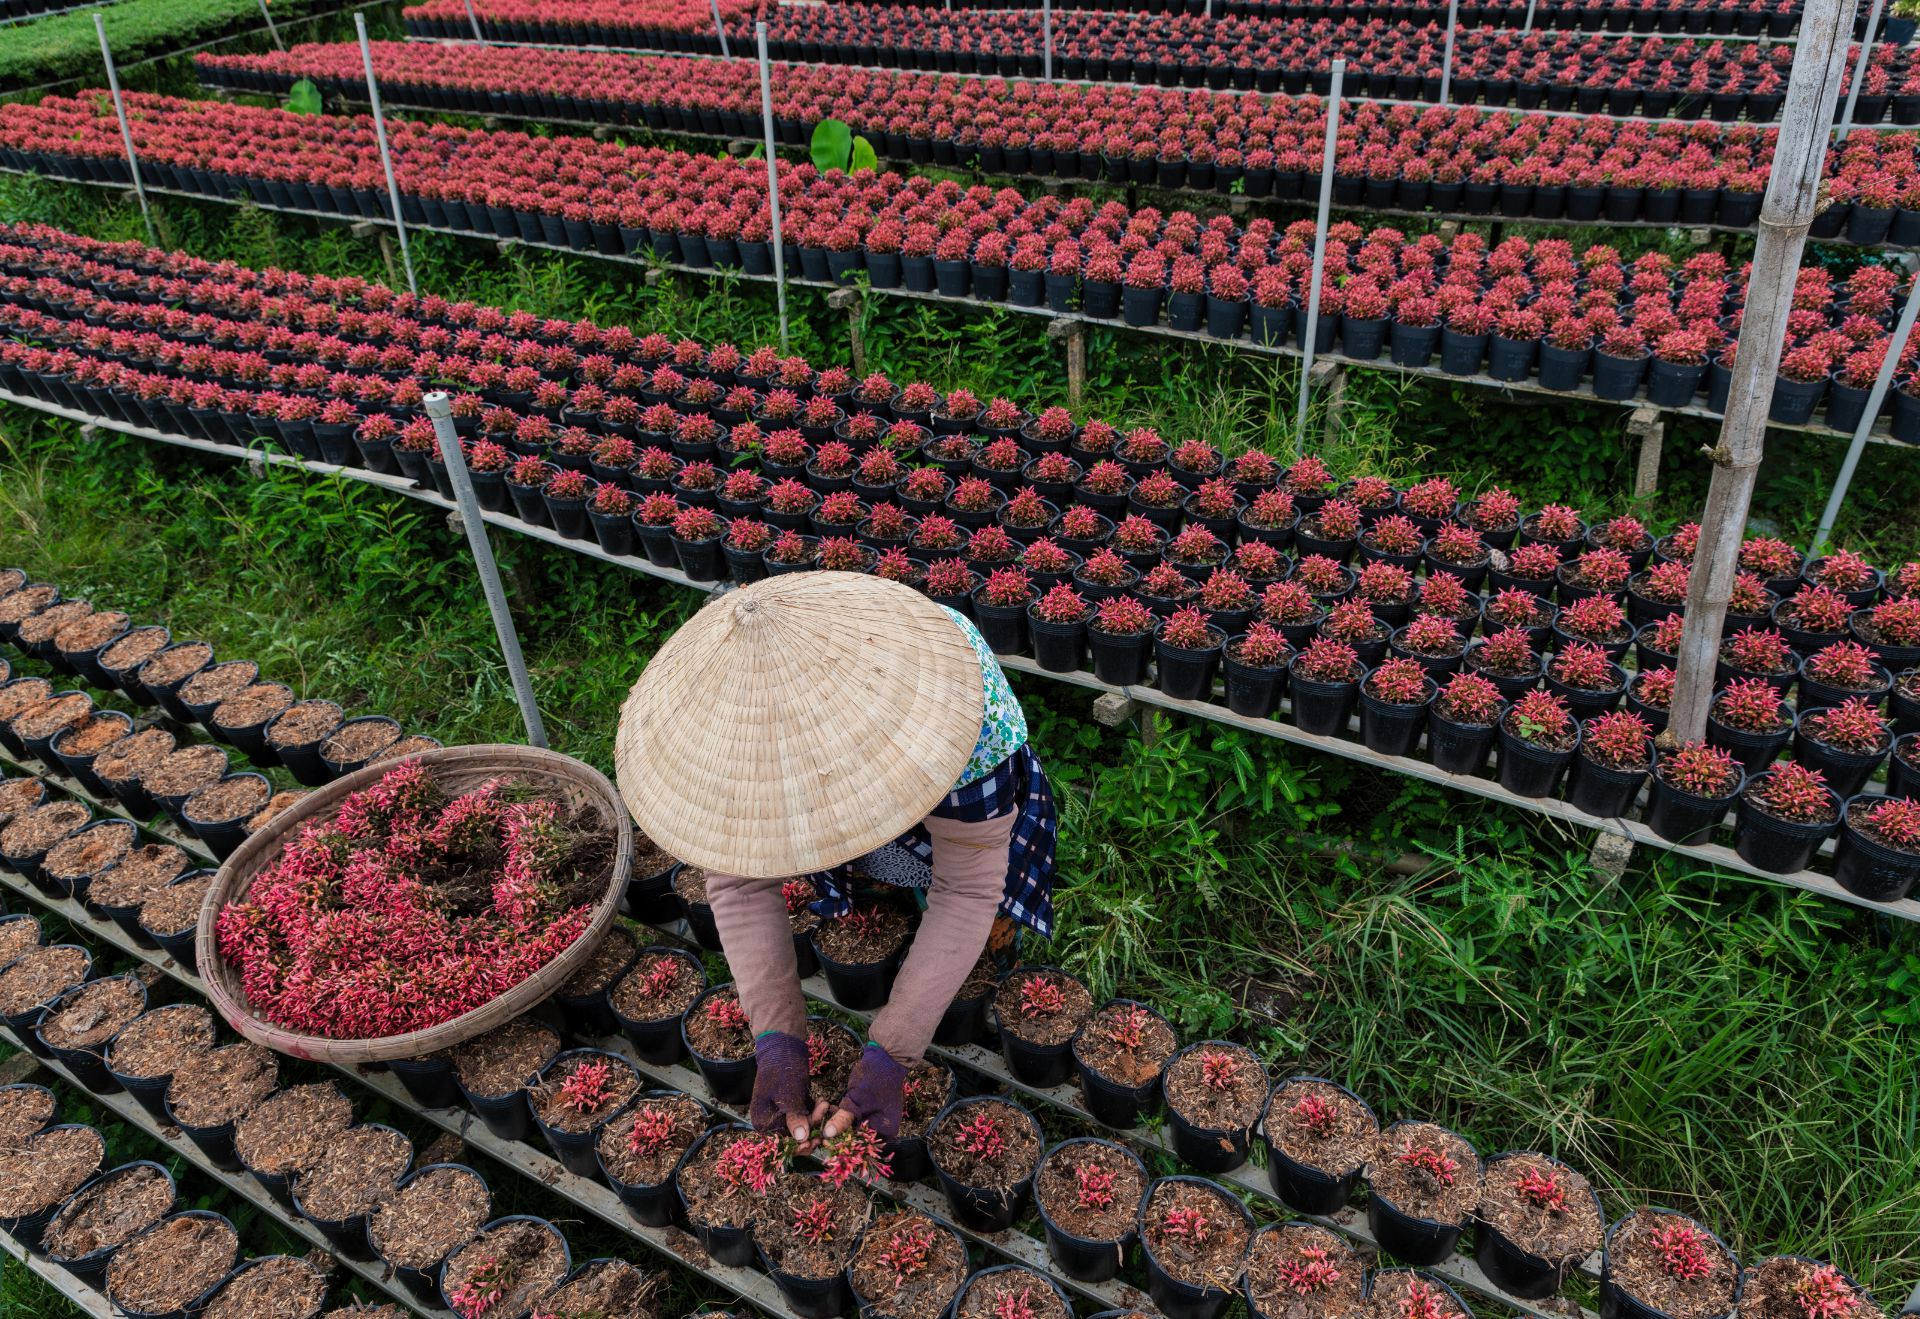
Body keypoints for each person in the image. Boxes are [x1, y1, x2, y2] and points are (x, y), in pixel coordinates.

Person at [616, 573, 1056, 1145]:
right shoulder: (721, 733)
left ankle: (973, 1021)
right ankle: (886, 898)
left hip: (964, 818)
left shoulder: (957, 705)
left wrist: (894, 1053)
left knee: (972, 947)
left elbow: (967, 888)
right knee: (882, 911)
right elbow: (739, 883)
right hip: (879, 826)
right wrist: (776, 1042)